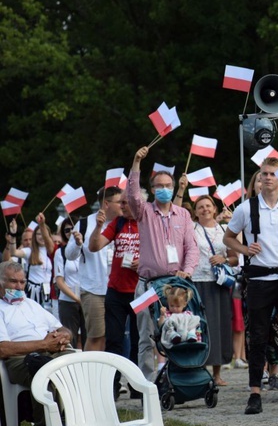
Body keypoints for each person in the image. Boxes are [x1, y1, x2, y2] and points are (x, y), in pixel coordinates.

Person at [223, 156, 278, 415]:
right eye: (264, 173)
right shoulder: (245, 208)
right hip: (260, 279)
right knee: (258, 336)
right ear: (259, 178)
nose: (268, 177)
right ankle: (255, 394)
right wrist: (244, 249)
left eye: (273, 173)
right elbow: (228, 237)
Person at [127, 146, 199, 382]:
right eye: (160, 186)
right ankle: (147, 384)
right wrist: (136, 163)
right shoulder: (144, 212)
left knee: (179, 331)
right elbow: (132, 196)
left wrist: (187, 272)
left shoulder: (183, 214)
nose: (165, 190)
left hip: (176, 286)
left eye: (169, 186)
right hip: (148, 285)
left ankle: (177, 379)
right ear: (153, 189)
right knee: (146, 336)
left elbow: (192, 247)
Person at [0, 260, 73, 426]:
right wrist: (43, 345)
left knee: (80, 364)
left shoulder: (31, 304)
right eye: (13, 281)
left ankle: (76, 419)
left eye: (22, 282)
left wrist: (63, 336)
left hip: (51, 351)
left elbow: (61, 327)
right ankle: (45, 425)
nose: (19, 287)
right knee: (42, 368)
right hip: (20, 359)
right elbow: (3, 349)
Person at [88, 194, 140, 398]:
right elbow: (94, 246)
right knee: (114, 340)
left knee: (139, 341)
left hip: (139, 291)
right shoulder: (117, 223)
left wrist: (143, 260)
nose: (122, 206)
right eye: (121, 203)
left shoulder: (146, 223)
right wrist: (98, 226)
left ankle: (137, 386)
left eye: (126, 203)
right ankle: (114, 385)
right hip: (116, 291)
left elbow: (160, 251)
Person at [65, 186, 124, 351]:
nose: (123, 205)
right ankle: (89, 372)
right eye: (120, 202)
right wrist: (77, 244)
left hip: (119, 290)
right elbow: (69, 255)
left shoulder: (124, 223)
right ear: (106, 203)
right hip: (94, 289)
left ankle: (112, 374)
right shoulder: (84, 224)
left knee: (116, 336)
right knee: (96, 335)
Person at [192, 195, 238, 387]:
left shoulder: (223, 230)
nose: (205, 209)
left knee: (219, 327)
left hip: (218, 283)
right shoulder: (192, 231)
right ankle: (199, 371)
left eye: (208, 206)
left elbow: (235, 258)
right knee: (201, 327)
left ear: (215, 209)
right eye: (200, 207)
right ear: (195, 212)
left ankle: (217, 374)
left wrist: (224, 260)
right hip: (198, 281)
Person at [4, 214, 56, 310]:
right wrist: (13, 234)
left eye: (43, 233)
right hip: (33, 291)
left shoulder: (51, 252)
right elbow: (13, 252)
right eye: (38, 234)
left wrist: (42, 224)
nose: (41, 236)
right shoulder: (30, 251)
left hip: (47, 292)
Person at [53, 217, 86, 349]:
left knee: (88, 337)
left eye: (74, 229)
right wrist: (76, 299)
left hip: (87, 297)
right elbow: (59, 281)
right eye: (67, 230)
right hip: (68, 300)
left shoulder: (86, 249)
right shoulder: (60, 252)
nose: (71, 232)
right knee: (69, 338)